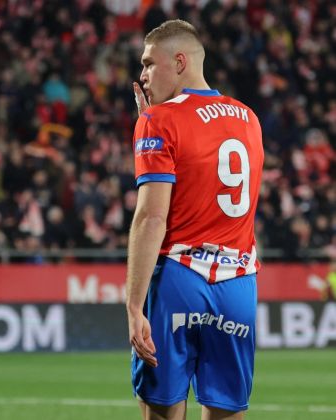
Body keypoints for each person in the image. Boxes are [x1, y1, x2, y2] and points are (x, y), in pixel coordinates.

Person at [125, 20, 263, 420]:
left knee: (162, 409)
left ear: (180, 62)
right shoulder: (248, 117)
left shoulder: (158, 121)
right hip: (238, 284)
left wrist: (134, 305)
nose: (143, 74)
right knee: (226, 410)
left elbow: (152, 217)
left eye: (150, 63)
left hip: (180, 278)